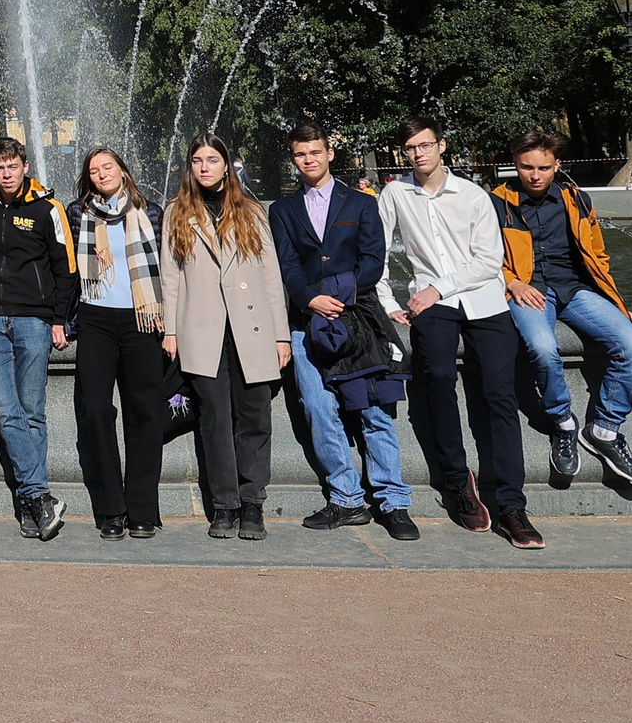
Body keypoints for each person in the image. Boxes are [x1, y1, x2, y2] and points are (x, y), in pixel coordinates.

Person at [380, 117, 540, 548]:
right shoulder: (395, 193)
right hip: (431, 304)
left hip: (482, 299)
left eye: (425, 145)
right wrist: (387, 302)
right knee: (437, 378)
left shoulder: (472, 194)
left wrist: (437, 288)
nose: (418, 154)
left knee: (500, 394)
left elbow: (488, 261)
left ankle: (512, 505)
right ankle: (457, 481)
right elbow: (377, 250)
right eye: (411, 148)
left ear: (442, 146)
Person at [267, 125, 417, 539]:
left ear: (329, 153)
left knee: (374, 410)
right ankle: (347, 499)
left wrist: (333, 294)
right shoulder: (282, 209)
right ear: (293, 159)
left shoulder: (362, 203)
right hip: (306, 321)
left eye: (315, 152)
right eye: (301, 154)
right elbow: (287, 265)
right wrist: (310, 300)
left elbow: (373, 261)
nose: (309, 159)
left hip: (359, 317)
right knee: (319, 410)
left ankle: (393, 501)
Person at [494, 129, 632, 487]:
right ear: (515, 164)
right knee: (543, 348)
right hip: (528, 290)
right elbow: (480, 256)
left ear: (557, 165)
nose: (535, 175)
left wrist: (616, 301)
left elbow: (598, 256)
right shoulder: (495, 203)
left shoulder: (577, 199)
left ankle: (605, 429)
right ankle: (563, 422)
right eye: (527, 167)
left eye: (543, 168)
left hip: (574, 289)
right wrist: (512, 283)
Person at [161, 136, 291, 539]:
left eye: (212, 159)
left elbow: (271, 276)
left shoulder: (250, 210)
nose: (205, 167)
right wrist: (170, 330)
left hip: (251, 326)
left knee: (254, 416)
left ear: (226, 165)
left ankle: (253, 503)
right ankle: (224, 504)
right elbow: (170, 278)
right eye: (198, 160)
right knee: (214, 419)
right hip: (202, 329)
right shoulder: (177, 212)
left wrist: (281, 336)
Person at [0, 136, 75, 540]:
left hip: (34, 320)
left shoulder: (49, 208)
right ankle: (38, 496)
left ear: (25, 166)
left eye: (12, 166)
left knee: (32, 412)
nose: (6, 174)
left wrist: (59, 320)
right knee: (7, 411)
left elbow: (66, 267)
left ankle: (30, 504)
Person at [67, 148, 170, 539]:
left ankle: (142, 509)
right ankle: (112, 508)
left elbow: (166, 268)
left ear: (123, 170)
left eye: (107, 167)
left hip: (142, 317)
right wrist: (62, 320)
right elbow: (67, 269)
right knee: (95, 409)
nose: (101, 174)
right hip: (95, 318)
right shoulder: (79, 213)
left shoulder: (151, 212)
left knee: (145, 412)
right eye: (93, 170)